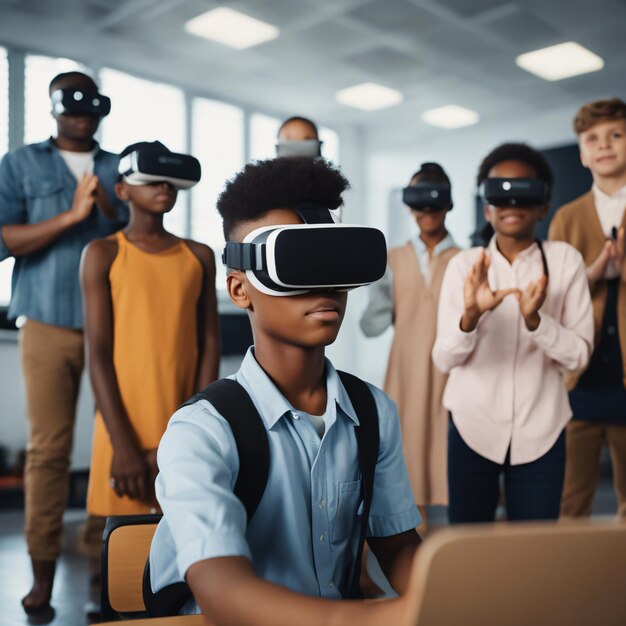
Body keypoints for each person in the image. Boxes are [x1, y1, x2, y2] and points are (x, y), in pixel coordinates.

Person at [148, 157, 421, 625]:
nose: (326, 286)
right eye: (300, 263)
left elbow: (398, 547)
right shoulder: (202, 431)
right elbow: (222, 592)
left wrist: (458, 597)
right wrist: (371, 620)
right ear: (239, 289)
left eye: (333, 260)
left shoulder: (374, 412)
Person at [0, 71, 126, 616]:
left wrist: (101, 212)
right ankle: (42, 575)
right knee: (48, 451)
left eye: (90, 102)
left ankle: (106, 560)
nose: (80, 112)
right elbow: (5, 239)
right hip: (47, 322)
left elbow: (135, 236)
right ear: (52, 107)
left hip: (115, 324)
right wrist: (71, 216)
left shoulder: (119, 167)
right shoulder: (19, 164)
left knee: (116, 444)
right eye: (69, 102)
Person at [432, 143, 594, 523]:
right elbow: (443, 359)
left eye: (523, 191)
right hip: (472, 424)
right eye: (499, 193)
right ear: (487, 207)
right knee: (468, 547)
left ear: (542, 204)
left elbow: (579, 357)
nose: (511, 201)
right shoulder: (464, 266)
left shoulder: (564, 260)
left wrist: (537, 321)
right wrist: (470, 316)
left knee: (533, 549)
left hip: (543, 427)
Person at [80, 141, 219, 547]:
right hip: (119, 427)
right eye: (153, 179)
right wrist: (123, 447)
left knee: (181, 542)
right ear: (122, 190)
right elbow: (99, 355)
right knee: (120, 549)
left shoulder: (199, 255)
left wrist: (190, 431)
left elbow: (209, 346)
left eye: (172, 182)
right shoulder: (102, 254)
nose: (165, 187)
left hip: (180, 423)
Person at [360, 162, 459, 526]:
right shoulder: (392, 258)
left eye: (436, 199)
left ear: (449, 203)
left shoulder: (467, 259)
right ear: (408, 204)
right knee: (406, 456)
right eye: (418, 200)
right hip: (406, 372)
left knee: (450, 458)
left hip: (453, 372)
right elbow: (371, 324)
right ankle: (412, 558)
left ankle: (451, 557)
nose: (427, 209)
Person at [549, 98, 626, 519]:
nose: (605, 145)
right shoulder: (566, 216)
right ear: (581, 152)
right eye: (593, 139)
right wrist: (593, 273)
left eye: (616, 135)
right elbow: (553, 299)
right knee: (571, 499)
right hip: (580, 381)